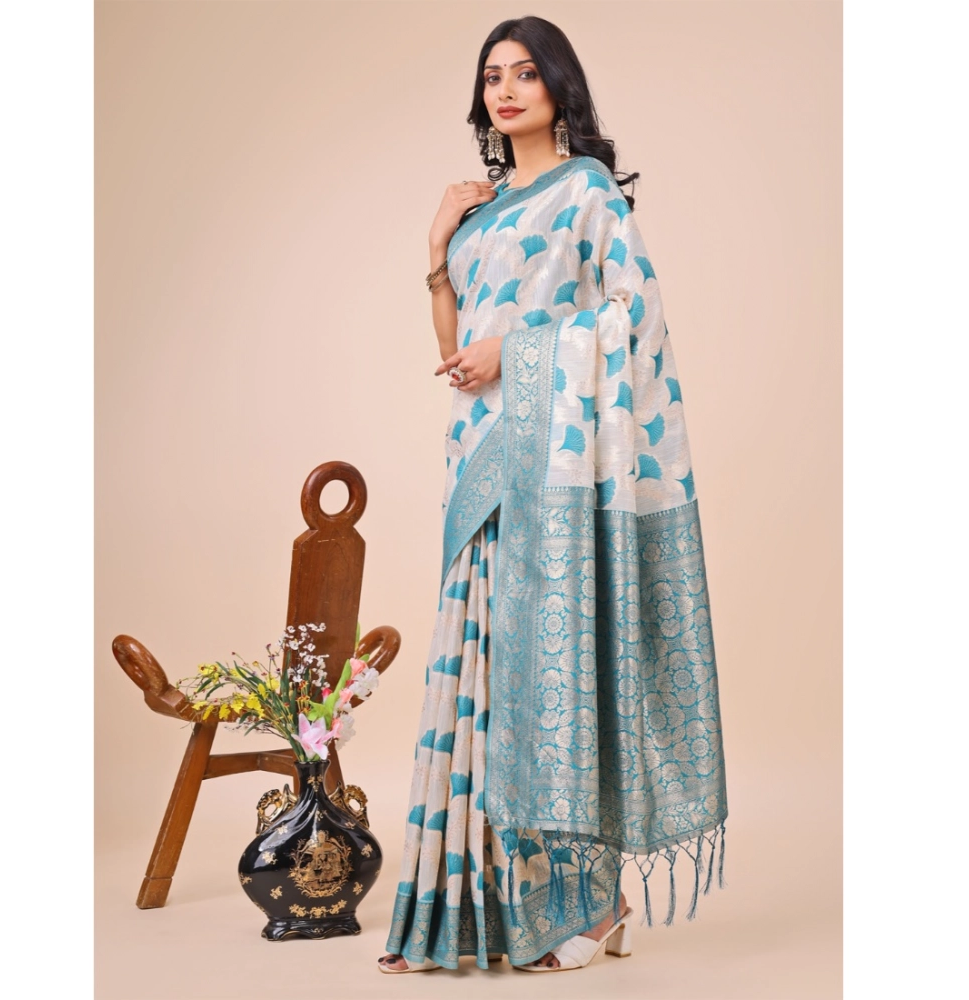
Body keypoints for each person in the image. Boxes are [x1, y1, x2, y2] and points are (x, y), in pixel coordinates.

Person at [379, 15, 728, 974]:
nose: (506, 89)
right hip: (482, 462)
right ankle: (470, 911)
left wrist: (519, 351)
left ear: (558, 86)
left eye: (525, 73)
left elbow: (633, 316)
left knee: (556, 683)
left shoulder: (586, 193)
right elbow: (455, 352)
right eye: (493, 75)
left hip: (561, 475)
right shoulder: (485, 210)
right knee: (486, 684)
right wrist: (438, 246)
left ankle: (596, 907)